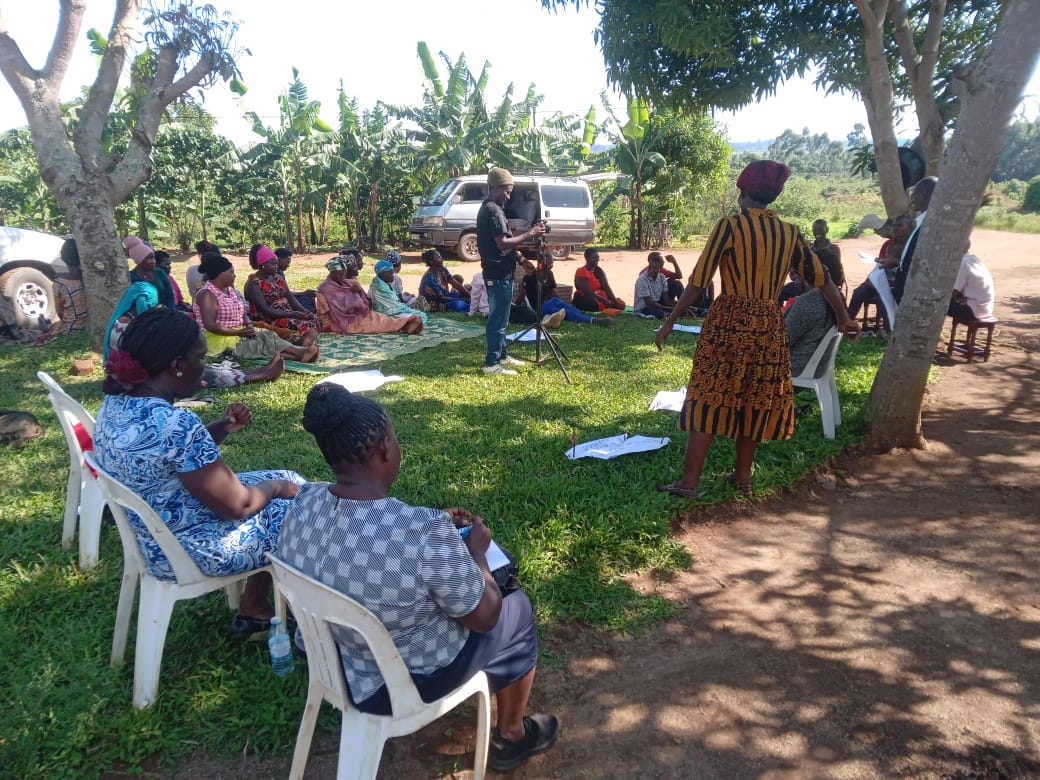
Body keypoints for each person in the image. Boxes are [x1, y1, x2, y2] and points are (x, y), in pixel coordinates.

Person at [278, 382, 559, 771]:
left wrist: (433, 531)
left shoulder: (303, 502)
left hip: (331, 661)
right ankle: (512, 734)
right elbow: (485, 616)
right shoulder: (420, 533)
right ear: (384, 450)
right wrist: (476, 555)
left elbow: (359, 544)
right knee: (517, 608)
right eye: (393, 436)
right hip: (398, 682)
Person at [93, 307, 305, 637]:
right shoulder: (176, 426)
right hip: (190, 549)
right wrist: (276, 489)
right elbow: (239, 507)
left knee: (291, 478)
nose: (204, 367)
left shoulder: (116, 404)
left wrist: (217, 430)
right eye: (201, 358)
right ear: (177, 365)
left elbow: (166, 458)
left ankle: (254, 608)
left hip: (152, 534)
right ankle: (315, 609)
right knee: (296, 507)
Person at [654, 160, 859, 498]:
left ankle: (689, 482)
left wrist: (670, 320)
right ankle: (743, 477)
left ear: (743, 190)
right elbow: (823, 280)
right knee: (754, 396)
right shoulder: (790, 232)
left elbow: (698, 280)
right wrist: (845, 317)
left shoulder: (729, 227)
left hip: (729, 320)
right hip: (768, 323)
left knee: (708, 394)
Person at [476, 168, 547, 376]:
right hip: (497, 274)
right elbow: (503, 243)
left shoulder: (492, 208)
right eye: (506, 192)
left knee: (502, 319)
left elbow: (505, 244)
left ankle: (503, 354)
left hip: (501, 272)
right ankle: (492, 363)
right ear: (495, 188)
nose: (509, 196)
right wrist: (530, 233)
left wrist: (522, 259)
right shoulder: (492, 211)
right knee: (497, 320)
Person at [194, 252, 317, 364]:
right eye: (231, 272)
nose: (234, 276)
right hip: (216, 339)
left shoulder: (229, 290)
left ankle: (298, 353)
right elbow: (211, 326)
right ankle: (298, 355)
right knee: (254, 345)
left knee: (267, 334)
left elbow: (241, 312)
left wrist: (248, 325)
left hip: (236, 331)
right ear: (220, 275)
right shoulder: (207, 295)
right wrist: (238, 332)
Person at [316, 255, 423, 335]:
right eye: (340, 274)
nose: (343, 277)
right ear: (332, 274)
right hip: (347, 323)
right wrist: (332, 327)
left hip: (362, 315)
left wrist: (359, 291)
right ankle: (406, 324)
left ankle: (406, 324)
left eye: (344, 274)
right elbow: (324, 316)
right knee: (377, 325)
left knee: (383, 319)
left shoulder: (350, 283)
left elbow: (366, 303)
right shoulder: (324, 291)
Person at [244, 246, 321, 346]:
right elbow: (265, 310)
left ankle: (300, 339)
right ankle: (297, 341)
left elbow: (291, 298)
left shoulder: (277, 278)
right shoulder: (253, 284)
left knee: (316, 320)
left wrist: (304, 312)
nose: (276, 266)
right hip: (269, 320)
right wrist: (292, 314)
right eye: (273, 264)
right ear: (262, 265)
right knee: (308, 325)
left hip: (286, 314)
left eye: (276, 263)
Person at [846, 214, 913, 322]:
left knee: (883, 296)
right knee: (859, 292)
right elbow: (881, 266)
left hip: (901, 283)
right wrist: (872, 278)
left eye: (900, 226)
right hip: (882, 279)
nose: (896, 229)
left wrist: (896, 262)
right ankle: (848, 322)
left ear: (910, 228)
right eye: (895, 226)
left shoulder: (914, 245)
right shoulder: (888, 244)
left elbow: (913, 267)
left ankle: (887, 330)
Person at [521, 251, 611, 326]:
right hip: (540, 307)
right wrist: (515, 307)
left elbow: (552, 291)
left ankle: (586, 315)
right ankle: (593, 320)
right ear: (542, 264)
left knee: (569, 307)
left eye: (552, 263)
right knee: (566, 312)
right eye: (549, 263)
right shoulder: (529, 277)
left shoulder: (549, 274)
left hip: (551, 301)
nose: (552, 265)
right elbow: (522, 294)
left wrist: (561, 301)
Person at [893, 176, 938, 304]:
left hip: (914, 291)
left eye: (914, 194)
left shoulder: (929, 224)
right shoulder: (921, 222)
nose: (912, 199)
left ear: (923, 194)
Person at [784, 289, 836, 375]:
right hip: (819, 366)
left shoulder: (808, 302)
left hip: (797, 366)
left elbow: (783, 340)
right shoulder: (835, 298)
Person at [368, 259, 429, 325]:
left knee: (420, 315)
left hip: (392, 310)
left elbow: (394, 300)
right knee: (420, 316)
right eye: (390, 273)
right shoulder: (379, 285)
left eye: (393, 273)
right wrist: (404, 307)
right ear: (382, 274)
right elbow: (393, 305)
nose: (393, 275)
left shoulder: (383, 283)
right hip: (387, 313)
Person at [48, 238, 88, 338]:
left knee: (51, 328)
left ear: (63, 256)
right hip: (89, 324)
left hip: (71, 329)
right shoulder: (88, 277)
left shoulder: (59, 283)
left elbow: (59, 311)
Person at [125, 236, 175, 309]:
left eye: (153, 258)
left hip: (165, 313)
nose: (154, 261)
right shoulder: (132, 277)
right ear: (140, 260)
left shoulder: (159, 273)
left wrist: (168, 311)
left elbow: (170, 296)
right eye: (149, 258)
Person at [572, 247, 625, 314]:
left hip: (600, 297)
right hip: (586, 297)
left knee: (621, 304)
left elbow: (606, 287)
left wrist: (615, 301)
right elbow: (587, 292)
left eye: (597, 257)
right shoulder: (581, 271)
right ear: (587, 259)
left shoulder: (599, 270)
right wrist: (604, 301)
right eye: (594, 258)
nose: (597, 260)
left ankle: (608, 306)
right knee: (591, 303)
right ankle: (606, 306)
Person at [948, 248, 995, 321]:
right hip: (984, 309)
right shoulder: (973, 260)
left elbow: (953, 292)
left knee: (939, 304)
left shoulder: (962, 263)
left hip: (974, 310)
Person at [633, 253, 676, 319]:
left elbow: (666, 300)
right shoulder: (642, 279)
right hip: (644, 308)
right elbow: (648, 302)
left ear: (661, 268)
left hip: (656, 304)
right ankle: (671, 312)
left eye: (655, 268)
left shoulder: (662, 277)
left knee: (676, 283)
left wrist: (676, 306)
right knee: (659, 313)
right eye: (650, 267)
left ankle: (687, 307)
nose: (651, 271)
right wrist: (671, 309)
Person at [275, 247, 317, 314]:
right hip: (280, 302)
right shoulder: (275, 274)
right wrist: (303, 293)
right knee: (308, 301)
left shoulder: (280, 272)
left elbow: (287, 292)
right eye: (287, 262)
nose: (288, 265)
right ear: (279, 259)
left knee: (309, 299)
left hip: (285, 299)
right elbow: (286, 294)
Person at [811, 219, 845, 288]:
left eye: (820, 229)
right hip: (812, 283)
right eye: (815, 230)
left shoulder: (834, 249)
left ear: (827, 230)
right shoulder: (809, 248)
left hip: (830, 284)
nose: (817, 232)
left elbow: (836, 270)